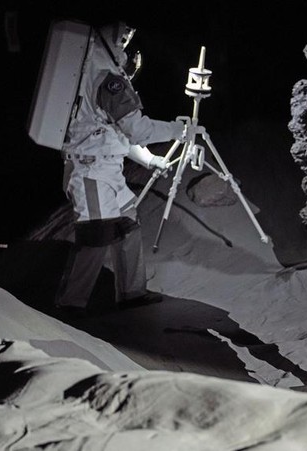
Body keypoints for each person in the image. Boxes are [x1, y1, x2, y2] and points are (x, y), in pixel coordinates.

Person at [53, 21, 185, 317]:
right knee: (95, 236)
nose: (127, 46)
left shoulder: (93, 70)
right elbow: (138, 130)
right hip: (91, 172)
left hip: (104, 169)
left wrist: (150, 160)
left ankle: (131, 293)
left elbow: (117, 135)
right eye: (124, 39)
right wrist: (179, 130)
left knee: (128, 225)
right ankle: (70, 306)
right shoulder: (108, 79)